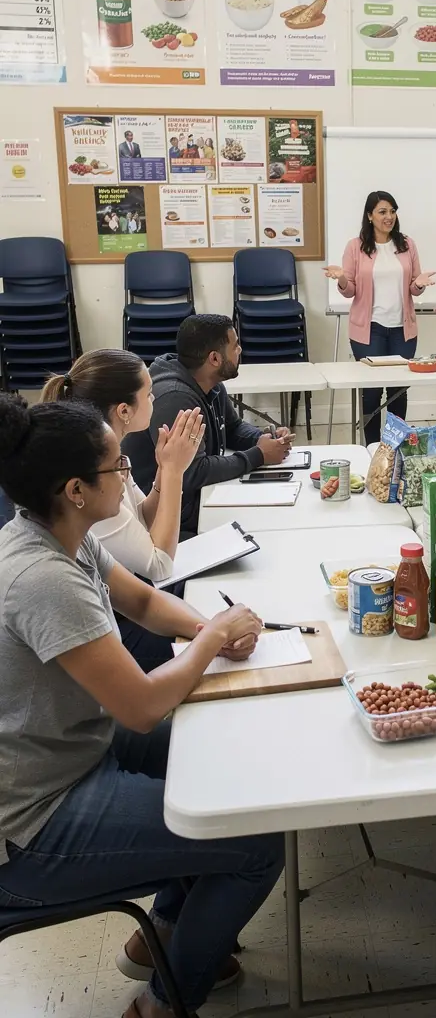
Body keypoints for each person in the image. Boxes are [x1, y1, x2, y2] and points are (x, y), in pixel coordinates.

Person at [0, 395, 282, 1018]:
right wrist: (211, 640)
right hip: (34, 822)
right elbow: (144, 706)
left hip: (73, 750)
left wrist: (215, 626)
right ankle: (162, 1004)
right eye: (117, 469)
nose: (127, 476)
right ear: (75, 489)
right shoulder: (41, 579)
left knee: (229, 766)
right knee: (257, 843)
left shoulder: (61, 536)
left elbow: (149, 603)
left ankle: (160, 941)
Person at [40, 349, 203, 591]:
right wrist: (173, 472)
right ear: (124, 410)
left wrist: (163, 468)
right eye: (148, 394)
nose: (154, 399)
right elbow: (158, 566)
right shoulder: (93, 476)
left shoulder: (111, 454)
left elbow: (142, 518)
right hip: (106, 607)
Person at [123, 315, 291, 536]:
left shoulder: (209, 383)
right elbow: (192, 471)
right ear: (214, 358)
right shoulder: (175, 398)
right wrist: (258, 456)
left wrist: (262, 438)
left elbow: (232, 429)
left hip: (196, 497)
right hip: (167, 517)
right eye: (235, 345)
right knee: (266, 526)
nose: (240, 350)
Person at [322, 190, 436, 444]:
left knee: (398, 392)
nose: (389, 217)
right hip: (368, 330)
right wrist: (341, 278)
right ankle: (373, 448)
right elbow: (350, 290)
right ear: (370, 216)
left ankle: (395, 449)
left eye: (393, 211)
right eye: (383, 212)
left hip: (402, 330)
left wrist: (420, 283)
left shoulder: (407, 244)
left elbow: (414, 287)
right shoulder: (356, 247)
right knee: (371, 393)